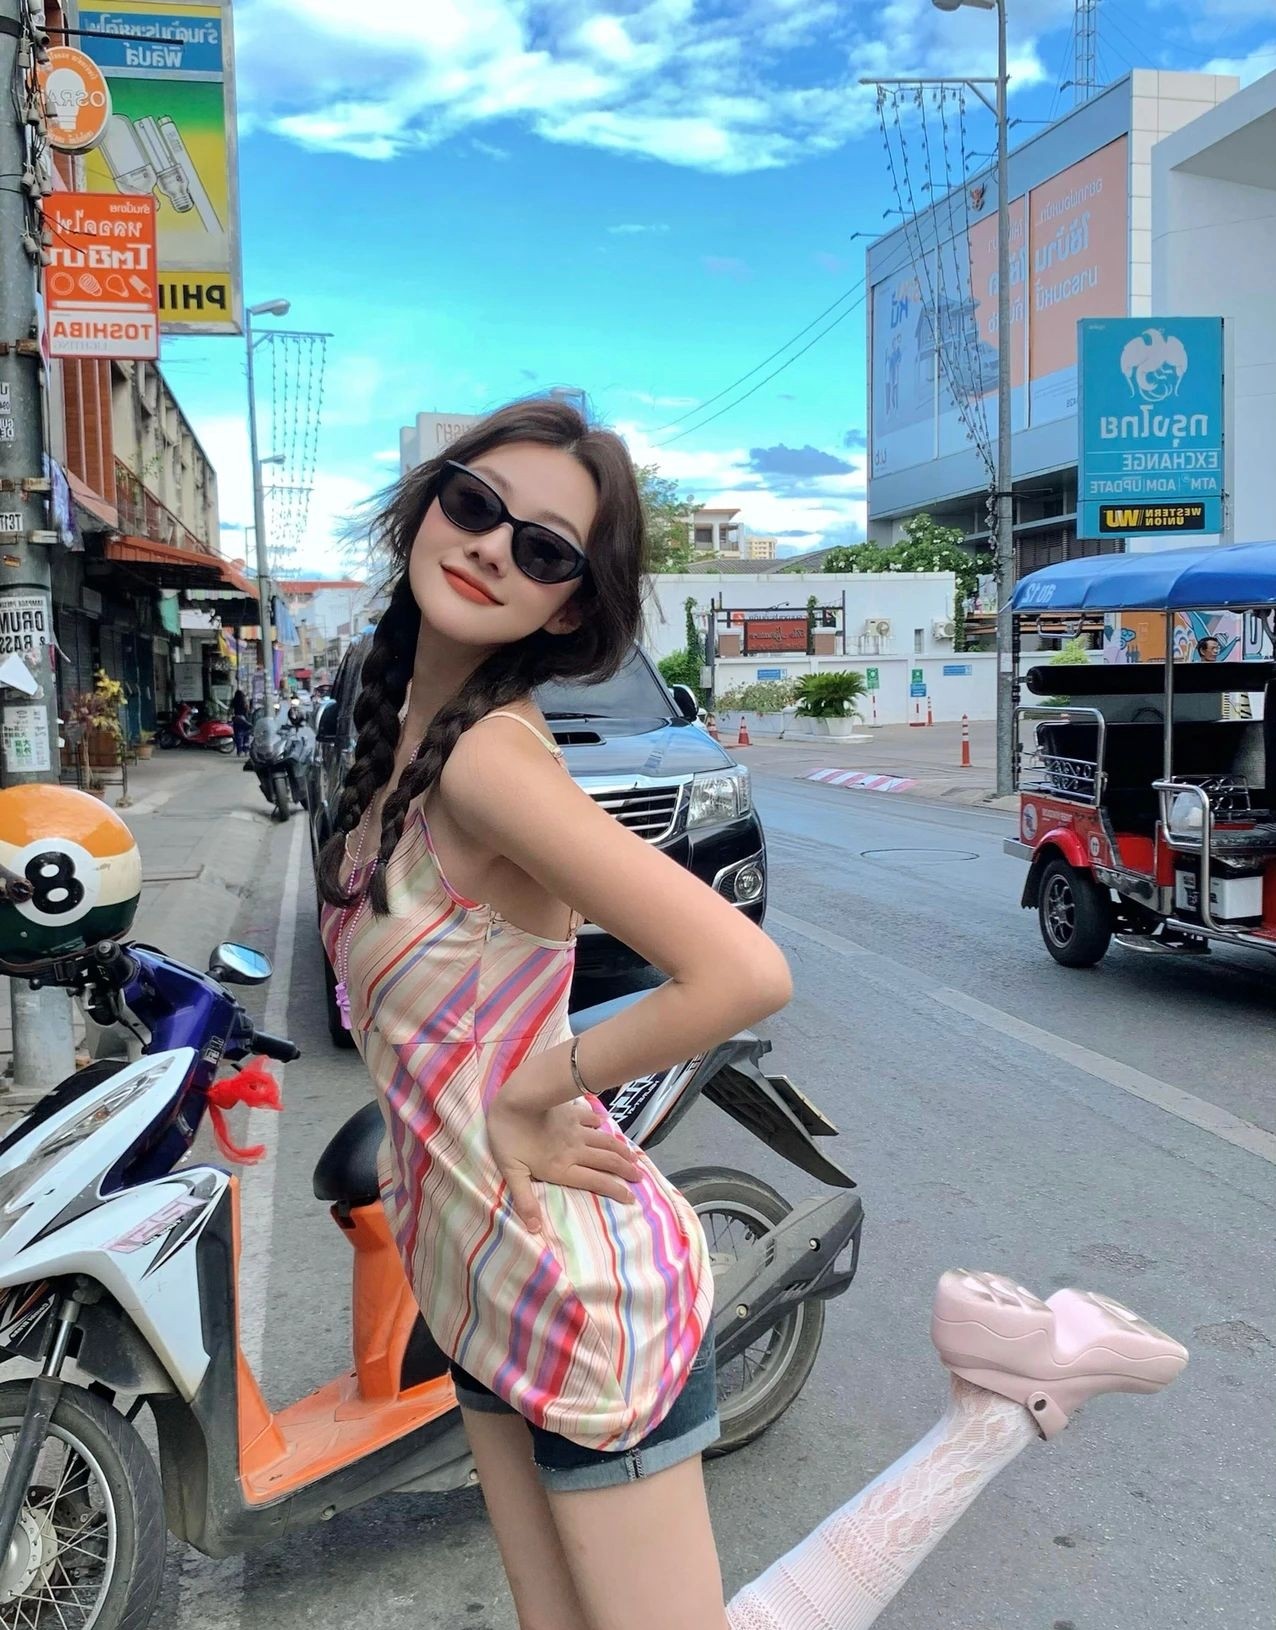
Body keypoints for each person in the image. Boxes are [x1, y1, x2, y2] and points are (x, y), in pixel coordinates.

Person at [315, 400, 1177, 1630]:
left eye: (543, 548)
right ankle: (998, 1394)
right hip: (470, 1270)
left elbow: (741, 970)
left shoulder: (488, 760)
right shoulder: (392, 723)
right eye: (474, 504)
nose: (493, 546)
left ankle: (995, 1412)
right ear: (426, 505)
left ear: (567, 607)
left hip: (576, 1289)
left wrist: (533, 1087)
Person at [230, 688, 251, 756]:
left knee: (238, 735)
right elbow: (247, 711)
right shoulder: (244, 702)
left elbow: (231, 711)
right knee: (246, 735)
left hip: (236, 719)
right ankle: (246, 750)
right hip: (244, 720)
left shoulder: (234, 702)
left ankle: (239, 751)